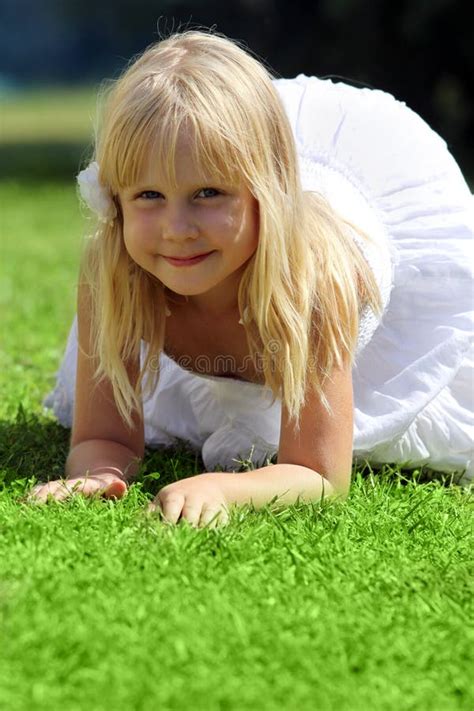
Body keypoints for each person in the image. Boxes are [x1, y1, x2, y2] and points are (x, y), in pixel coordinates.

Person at [28, 30, 473, 527]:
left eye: (208, 193)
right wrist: (96, 472)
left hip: (327, 273)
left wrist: (226, 487)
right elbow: (102, 436)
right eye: (149, 196)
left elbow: (320, 473)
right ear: (116, 201)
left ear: (265, 194)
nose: (177, 231)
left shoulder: (314, 280)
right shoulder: (115, 269)